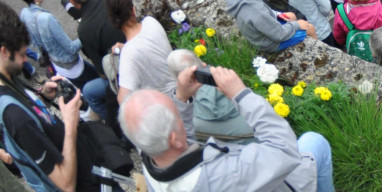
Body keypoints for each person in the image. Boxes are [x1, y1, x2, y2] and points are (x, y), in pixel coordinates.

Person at [120, 63, 334, 192]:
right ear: (175, 140)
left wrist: (181, 97)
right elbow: (285, 151)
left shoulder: (150, 160)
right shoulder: (226, 174)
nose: (180, 108)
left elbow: (178, 138)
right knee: (315, 142)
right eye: (176, 112)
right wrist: (240, 94)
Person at [0, 0, 98, 192]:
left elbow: (29, 110)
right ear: (3, 51)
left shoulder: (7, 78)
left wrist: (41, 95)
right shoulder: (15, 117)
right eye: (21, 54)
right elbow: (66, 184)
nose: (25, 59)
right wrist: (70, 125)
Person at [17, 0, 108, 120]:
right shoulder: (47, 19)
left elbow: (32, 43)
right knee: (102, 89)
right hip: (73, 66)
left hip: (56, 65)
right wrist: (85, 33)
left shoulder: (24, 14)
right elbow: (71, 48)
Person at [106, 0, 175, 107]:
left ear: (113, 21)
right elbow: (144, 45)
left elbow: (123, 100)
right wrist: (125, 47)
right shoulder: (151, 22)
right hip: (179, 89)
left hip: (165, 106)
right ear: (133, 10)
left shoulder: (128, 55)